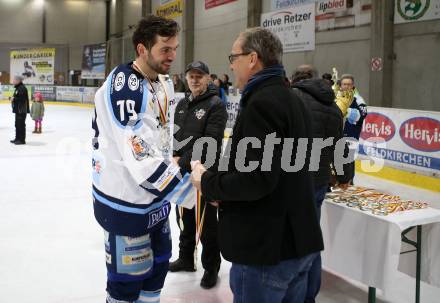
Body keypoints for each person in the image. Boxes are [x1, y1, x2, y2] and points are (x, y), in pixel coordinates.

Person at [190, 27, 323, 303]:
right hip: (298, 244)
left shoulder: (263, 103)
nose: (230, 64)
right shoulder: (293, 99)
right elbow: (280, 172)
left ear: (252, 58)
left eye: (233, 57)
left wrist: (209, 184)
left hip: (268, 251)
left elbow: (256, 179)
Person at [92, 15, 196, 303]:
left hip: (156, 201)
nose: (173, 56)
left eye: (175, 48)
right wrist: (195, 192)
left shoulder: (163, 82)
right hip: (125, 202)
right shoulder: (125, 86)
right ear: (141, 49)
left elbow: (158, 137)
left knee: (157, 270)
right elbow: (140, 155)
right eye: (165, 49)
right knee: (127, 283)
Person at [291, 65, 350, 303]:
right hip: (318, 183)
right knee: (311, 240)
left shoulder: (292, 99)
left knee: (291, 244)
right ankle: (309, 297)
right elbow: (340, 147)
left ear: (296, 78)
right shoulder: (333, 107)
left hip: (293, 183)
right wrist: (345, 176)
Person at [170, 60, 227, 289]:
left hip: (205, 174)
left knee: (206, 225)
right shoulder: (182, 104)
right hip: (183, 173)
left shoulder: (216, 105)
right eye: (191, 76)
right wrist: (174, 155)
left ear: (207, 78)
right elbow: (176, 136)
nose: (194, 80)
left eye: (199, 76)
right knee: (184, 218)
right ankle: (186, 258)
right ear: (186, 78)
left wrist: (182, 162)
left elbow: (209, 142)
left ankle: (211, 268)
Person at [339, 74, 368, 182]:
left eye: (349, 84)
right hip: (335, 132)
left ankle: (349, 181)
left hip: (350, 134)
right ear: (341, 85)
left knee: (348, 158)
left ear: (353, 86)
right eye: (344, 84)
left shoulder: (358, 99)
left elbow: (363, 114)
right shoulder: (336, 96)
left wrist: (346, 111)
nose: (346, 86)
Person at [10, 75, 29, 145]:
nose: (13, 81)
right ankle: (17, 138)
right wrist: (13, 98)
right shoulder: (18, 88)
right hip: (18, 110)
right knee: (17, 125)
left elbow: (22, 100)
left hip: (21, 110)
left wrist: (14, 99)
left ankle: (22, 140)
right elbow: (17, 97)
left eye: (14, 80)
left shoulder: (22, 88)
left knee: (21, 125)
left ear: (18, 81)